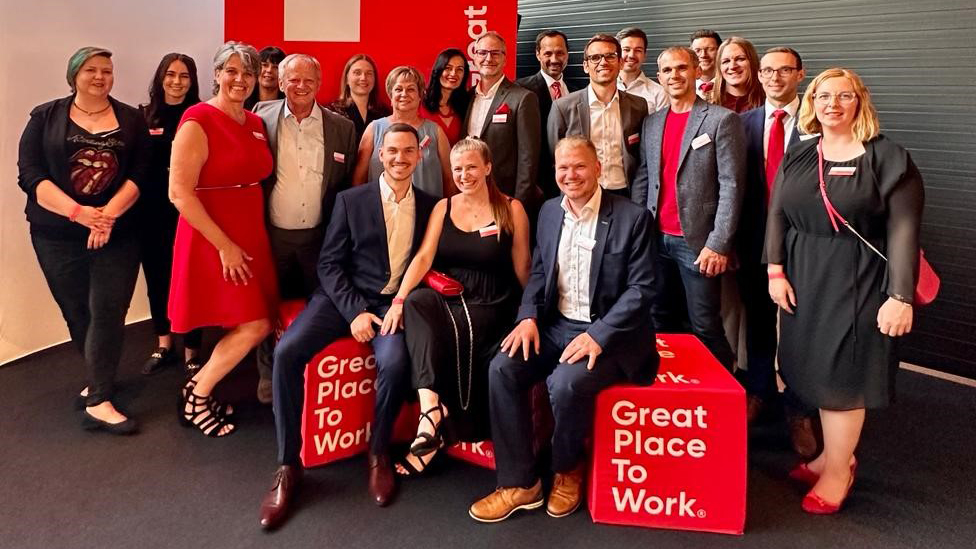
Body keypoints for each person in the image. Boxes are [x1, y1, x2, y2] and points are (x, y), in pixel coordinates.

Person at [469, 136, 657, 522]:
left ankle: (568, 468)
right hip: (556, 326)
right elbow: (539, 273)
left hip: (611, 335)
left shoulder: (633, 217)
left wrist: (599, 334)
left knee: (565, 384)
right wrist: (527, 317)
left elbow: (642, 289)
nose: (570, 175)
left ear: (598, 168)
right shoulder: (549, 212)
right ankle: (521, 483)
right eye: (562, 168)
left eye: (579, 166)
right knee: (502, 369)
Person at [258, 123, 438, 529]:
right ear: (380, 155)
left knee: (395, 363)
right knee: (287, 353)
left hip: (392, 305)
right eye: (392, 151)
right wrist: (355, 310)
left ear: (419, 156)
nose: (400, 158)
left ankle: (379, 453)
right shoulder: (351, 200)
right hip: (342, 298)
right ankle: (288, 464)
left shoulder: (432, 207)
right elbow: (329, 264)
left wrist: (400, 304)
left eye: (408, 151)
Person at [765, 68, 923, 513]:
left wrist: (900, 296)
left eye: (844, 96)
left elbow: (905, 230)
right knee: (815, 369)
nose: (832, 104)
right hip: (803, 275)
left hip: (859, 280)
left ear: (860, 101)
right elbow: (777, 213)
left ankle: (838, 471)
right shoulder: (800, 153)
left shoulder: (888, 158)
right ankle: (830, 457)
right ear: (811, 102)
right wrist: (775, 271)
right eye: (823, 96)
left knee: (843, 376)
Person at [17, 46, 150, 434]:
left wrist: (106, 216)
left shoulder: (131, 119)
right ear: (74, 75)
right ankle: (99, 377)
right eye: (91, 70)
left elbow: (141, 173)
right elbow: (30, 175)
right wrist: (80, 214)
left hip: (117, 231)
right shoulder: (44, 117)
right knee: (77, 311)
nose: (100, 77)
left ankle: (99, 400)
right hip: (56, 233)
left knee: (108, 309)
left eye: (107, 70)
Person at [379, 137, 531, 475]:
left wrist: (533, 313)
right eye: (458, 169)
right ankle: (430, 411)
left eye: (472, 167)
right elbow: (423, 258)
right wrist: (399, 300)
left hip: (492, 299)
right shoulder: (443, 207)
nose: (464, 175)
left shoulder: (512, 209)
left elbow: (523, 267)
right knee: (417, 302)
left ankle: (440, 429)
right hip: (451, 293)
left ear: (488, 168)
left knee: (463, 327)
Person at [168, 41, 278, 437]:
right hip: (213, 237)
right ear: (216, 74)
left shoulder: (255, 122)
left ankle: (198, 389)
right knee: (256, 323)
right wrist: (225, 246)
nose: (240, 79)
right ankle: (197, 395)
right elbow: (179, 193)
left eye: (247, 72)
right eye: (231, 70)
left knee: (254, 319)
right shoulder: (197, 119)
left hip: (250, 233)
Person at [252, 53, 358, 404]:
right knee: (268, 306)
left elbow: (345, 185)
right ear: (281, 82)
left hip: (320, 238)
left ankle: (313, 372)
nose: (301, 86)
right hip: (273, 235)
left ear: (319, 83)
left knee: (320, 309)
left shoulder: (342, 128)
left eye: (308, 80)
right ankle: (268, 374)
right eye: (293, 80)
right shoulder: (260, 117)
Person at [631, 46, 745, 371]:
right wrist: (639, 232)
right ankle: (676, 385)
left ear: (697, 71)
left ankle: (724, 389)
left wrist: (718, 243)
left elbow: (732, 185)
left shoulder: (722, 120)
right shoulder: (652, 122)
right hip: (656, 239)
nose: (675, 75)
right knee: (659, 318)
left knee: (704, 324)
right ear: (659, 76)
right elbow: (644, 177)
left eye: (681, 68)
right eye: (667, 70)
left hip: (697, 243)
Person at [737, 47, 816, 456]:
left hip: (805, 244)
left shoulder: (817, 123)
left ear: (800, 74)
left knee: (801, 328)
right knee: (759, 323)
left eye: (784, 70)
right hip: (754, 241)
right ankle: (760, 391)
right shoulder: (743, 123)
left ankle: (800, 410)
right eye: (767, 70)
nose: (774, 77)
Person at [138, 53, 204, 376]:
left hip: (189, 212)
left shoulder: (201, 115)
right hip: (151, 214)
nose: (177, 82)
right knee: (157, 280)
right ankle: (164, 343)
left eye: (184, 76)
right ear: (160, 77)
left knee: (192, 281)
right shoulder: (142, 116)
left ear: (192, 82)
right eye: (171, 74)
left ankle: (193, 350)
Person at [548, 34, 648, 198]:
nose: (603, 62)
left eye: (610, 56)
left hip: (625, 194)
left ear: (620, 62)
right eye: (595, 58)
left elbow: (642, 158)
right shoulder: (563, 107)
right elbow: (555, 159)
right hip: (582, 195)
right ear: (586, 66)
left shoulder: (638, 106)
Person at [464, 32, 542, 212]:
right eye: (482, 53)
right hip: (469, 195)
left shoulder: (523, 98)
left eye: (495, 53)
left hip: (504, 198)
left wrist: (518, 205)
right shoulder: (466, 97)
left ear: (505, 58)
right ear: (475, 57)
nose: (488, 58)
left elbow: (528, 160)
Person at [353, 66, 452, 197]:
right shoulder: (373, 129)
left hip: (429, 209)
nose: (404, 94)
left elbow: (450, 180)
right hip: (380, 208)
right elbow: (358, 179)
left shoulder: (436, 132)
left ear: (420, 95)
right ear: (390, 95)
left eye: (411, 89)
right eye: (398, 89)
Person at [516, 30, 578, 198]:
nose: (554, 59)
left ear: (567, 54)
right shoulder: (520, 90)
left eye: (560, 53)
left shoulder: (577, 92)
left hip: (573, 181)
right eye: (548, 53)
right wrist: (529, 183)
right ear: (538, 55)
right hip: (537, 186)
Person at [328, 54, 392, 144]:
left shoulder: (385, 113)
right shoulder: (332, 112)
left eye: (369, 73)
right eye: (357, 73)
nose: (363, 78)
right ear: (347, 79)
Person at [421, 48, 470, 146]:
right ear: (438, 70)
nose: (453, 73)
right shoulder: (420, 102)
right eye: (448, 68)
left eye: (459, 69)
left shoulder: (465, 105)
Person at [616, 27, 668, 112]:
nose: (631, 55)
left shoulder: (659, 93)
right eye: (626, 50)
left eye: (638, 50)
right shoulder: (602, 88)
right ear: (617, 53)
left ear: (644, 56)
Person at [708, 37, 764, 113]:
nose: (732, 66)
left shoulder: (769, 101)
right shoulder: (706, 103)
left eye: (740, 59)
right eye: (726, 61)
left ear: (752, 62)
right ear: (719, 67)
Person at [244, 46, 286, 110]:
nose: (269, 70)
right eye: (264, 65)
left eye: (275, 67)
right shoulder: (243, 101)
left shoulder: (288, 106)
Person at [690, 29, 721, 97]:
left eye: (710, 49)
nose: (703, 55)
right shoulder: (684, 87)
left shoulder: (731, 86)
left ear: (720, 51)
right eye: (698, 50)